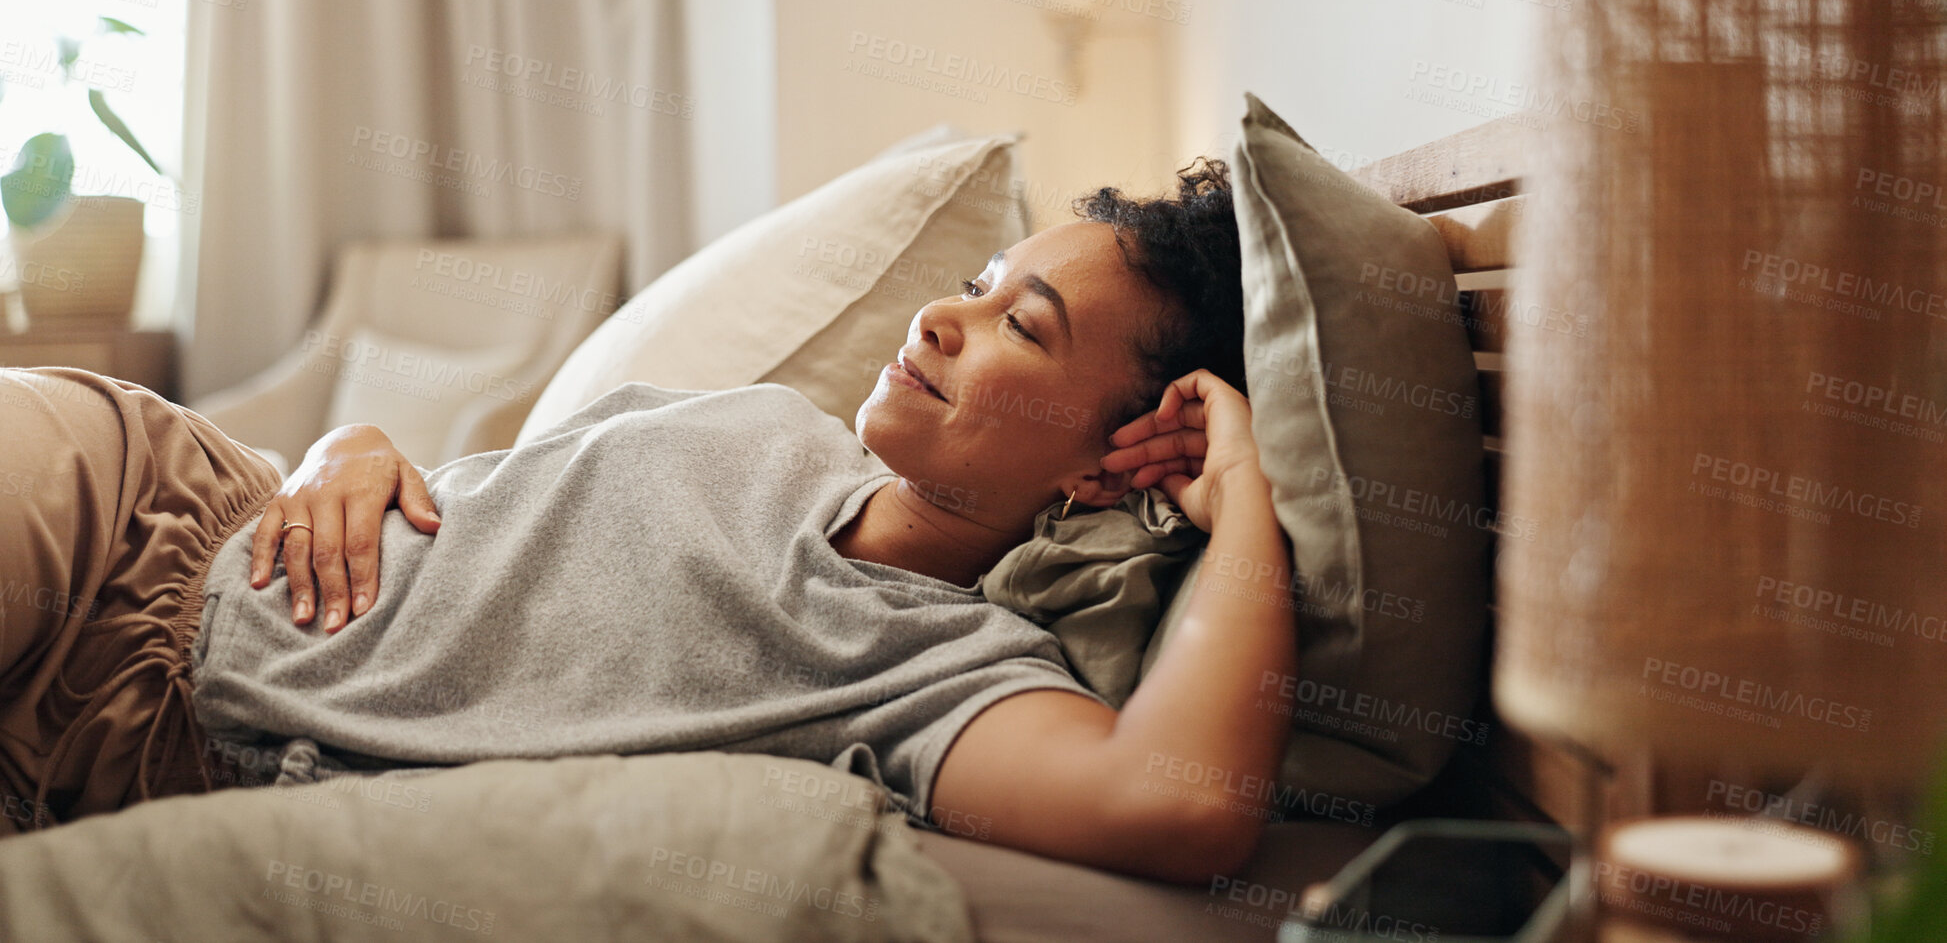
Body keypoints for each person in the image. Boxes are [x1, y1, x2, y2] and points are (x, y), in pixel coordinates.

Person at [0, 158, 1294, 884]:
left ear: (1114, 464)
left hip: (155, 738)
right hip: (148, 504)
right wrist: (343, 446)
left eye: (1022, 324)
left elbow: (1176, 808)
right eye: (975, 284)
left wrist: (1242, 502)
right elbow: (471, 497)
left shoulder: (934, 669)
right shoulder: (767, 424)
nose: (940, 320)